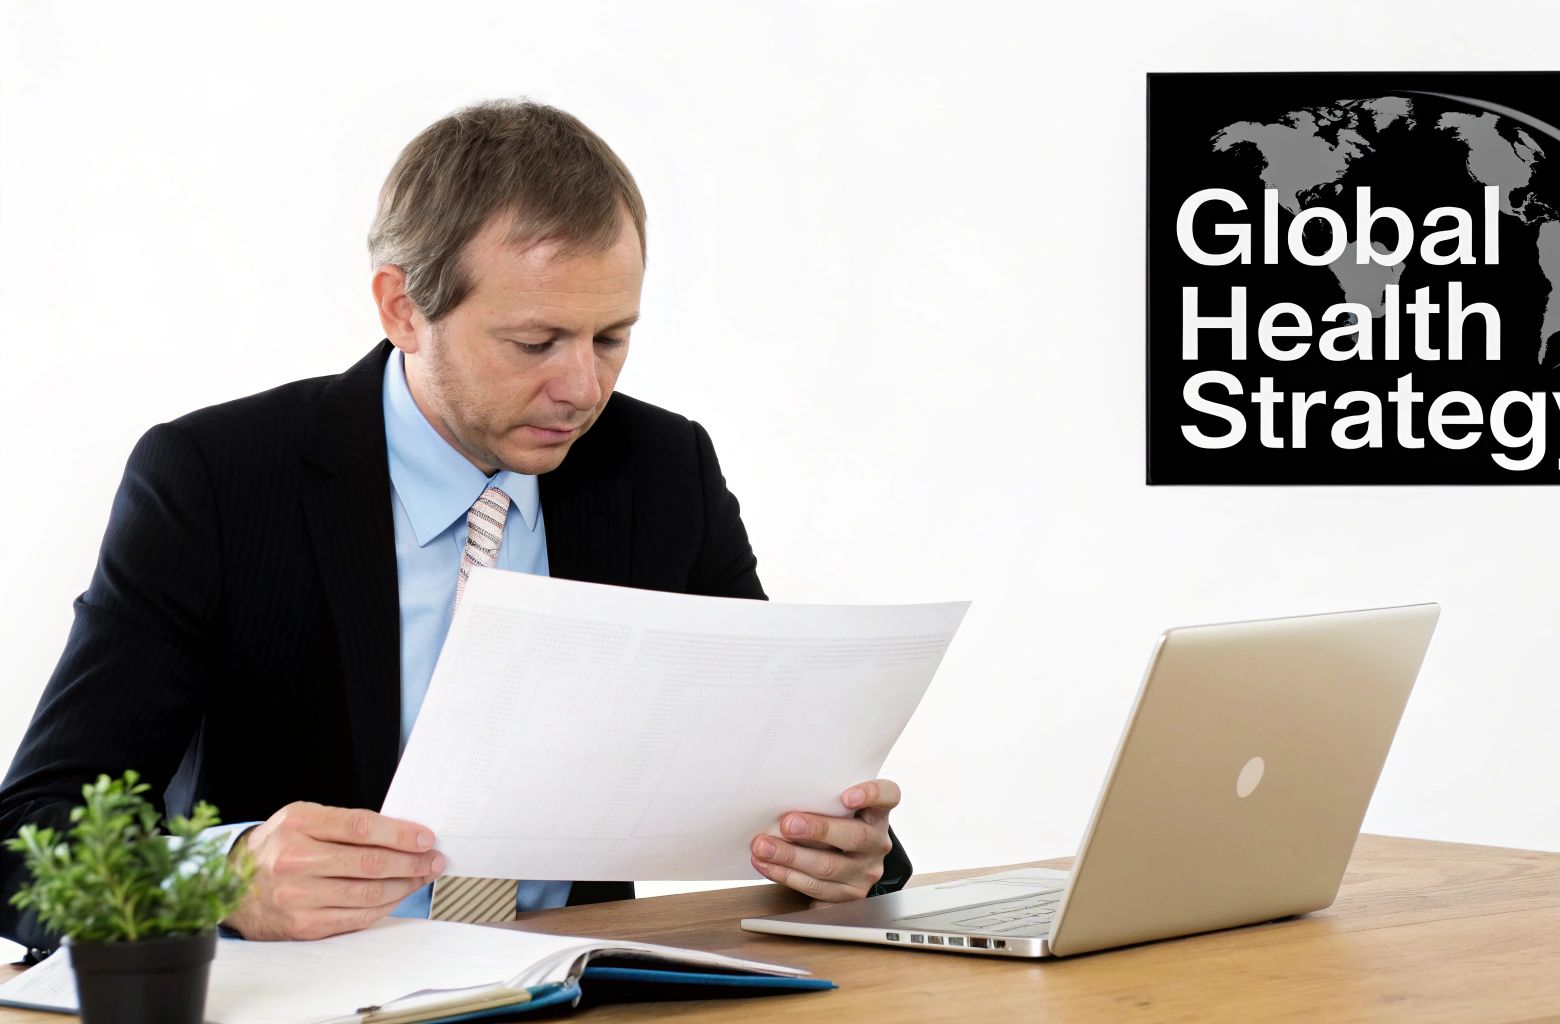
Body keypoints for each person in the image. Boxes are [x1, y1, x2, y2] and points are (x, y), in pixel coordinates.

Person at [0, 97, 910, 952]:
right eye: (535, 343)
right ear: (402, 307)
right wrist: (223, 878)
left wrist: (842, 852)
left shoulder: (662, 470)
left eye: (611, 337)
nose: (583, 389)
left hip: (582, 989)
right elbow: (25, 840)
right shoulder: (219, 479)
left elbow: (782, 779)